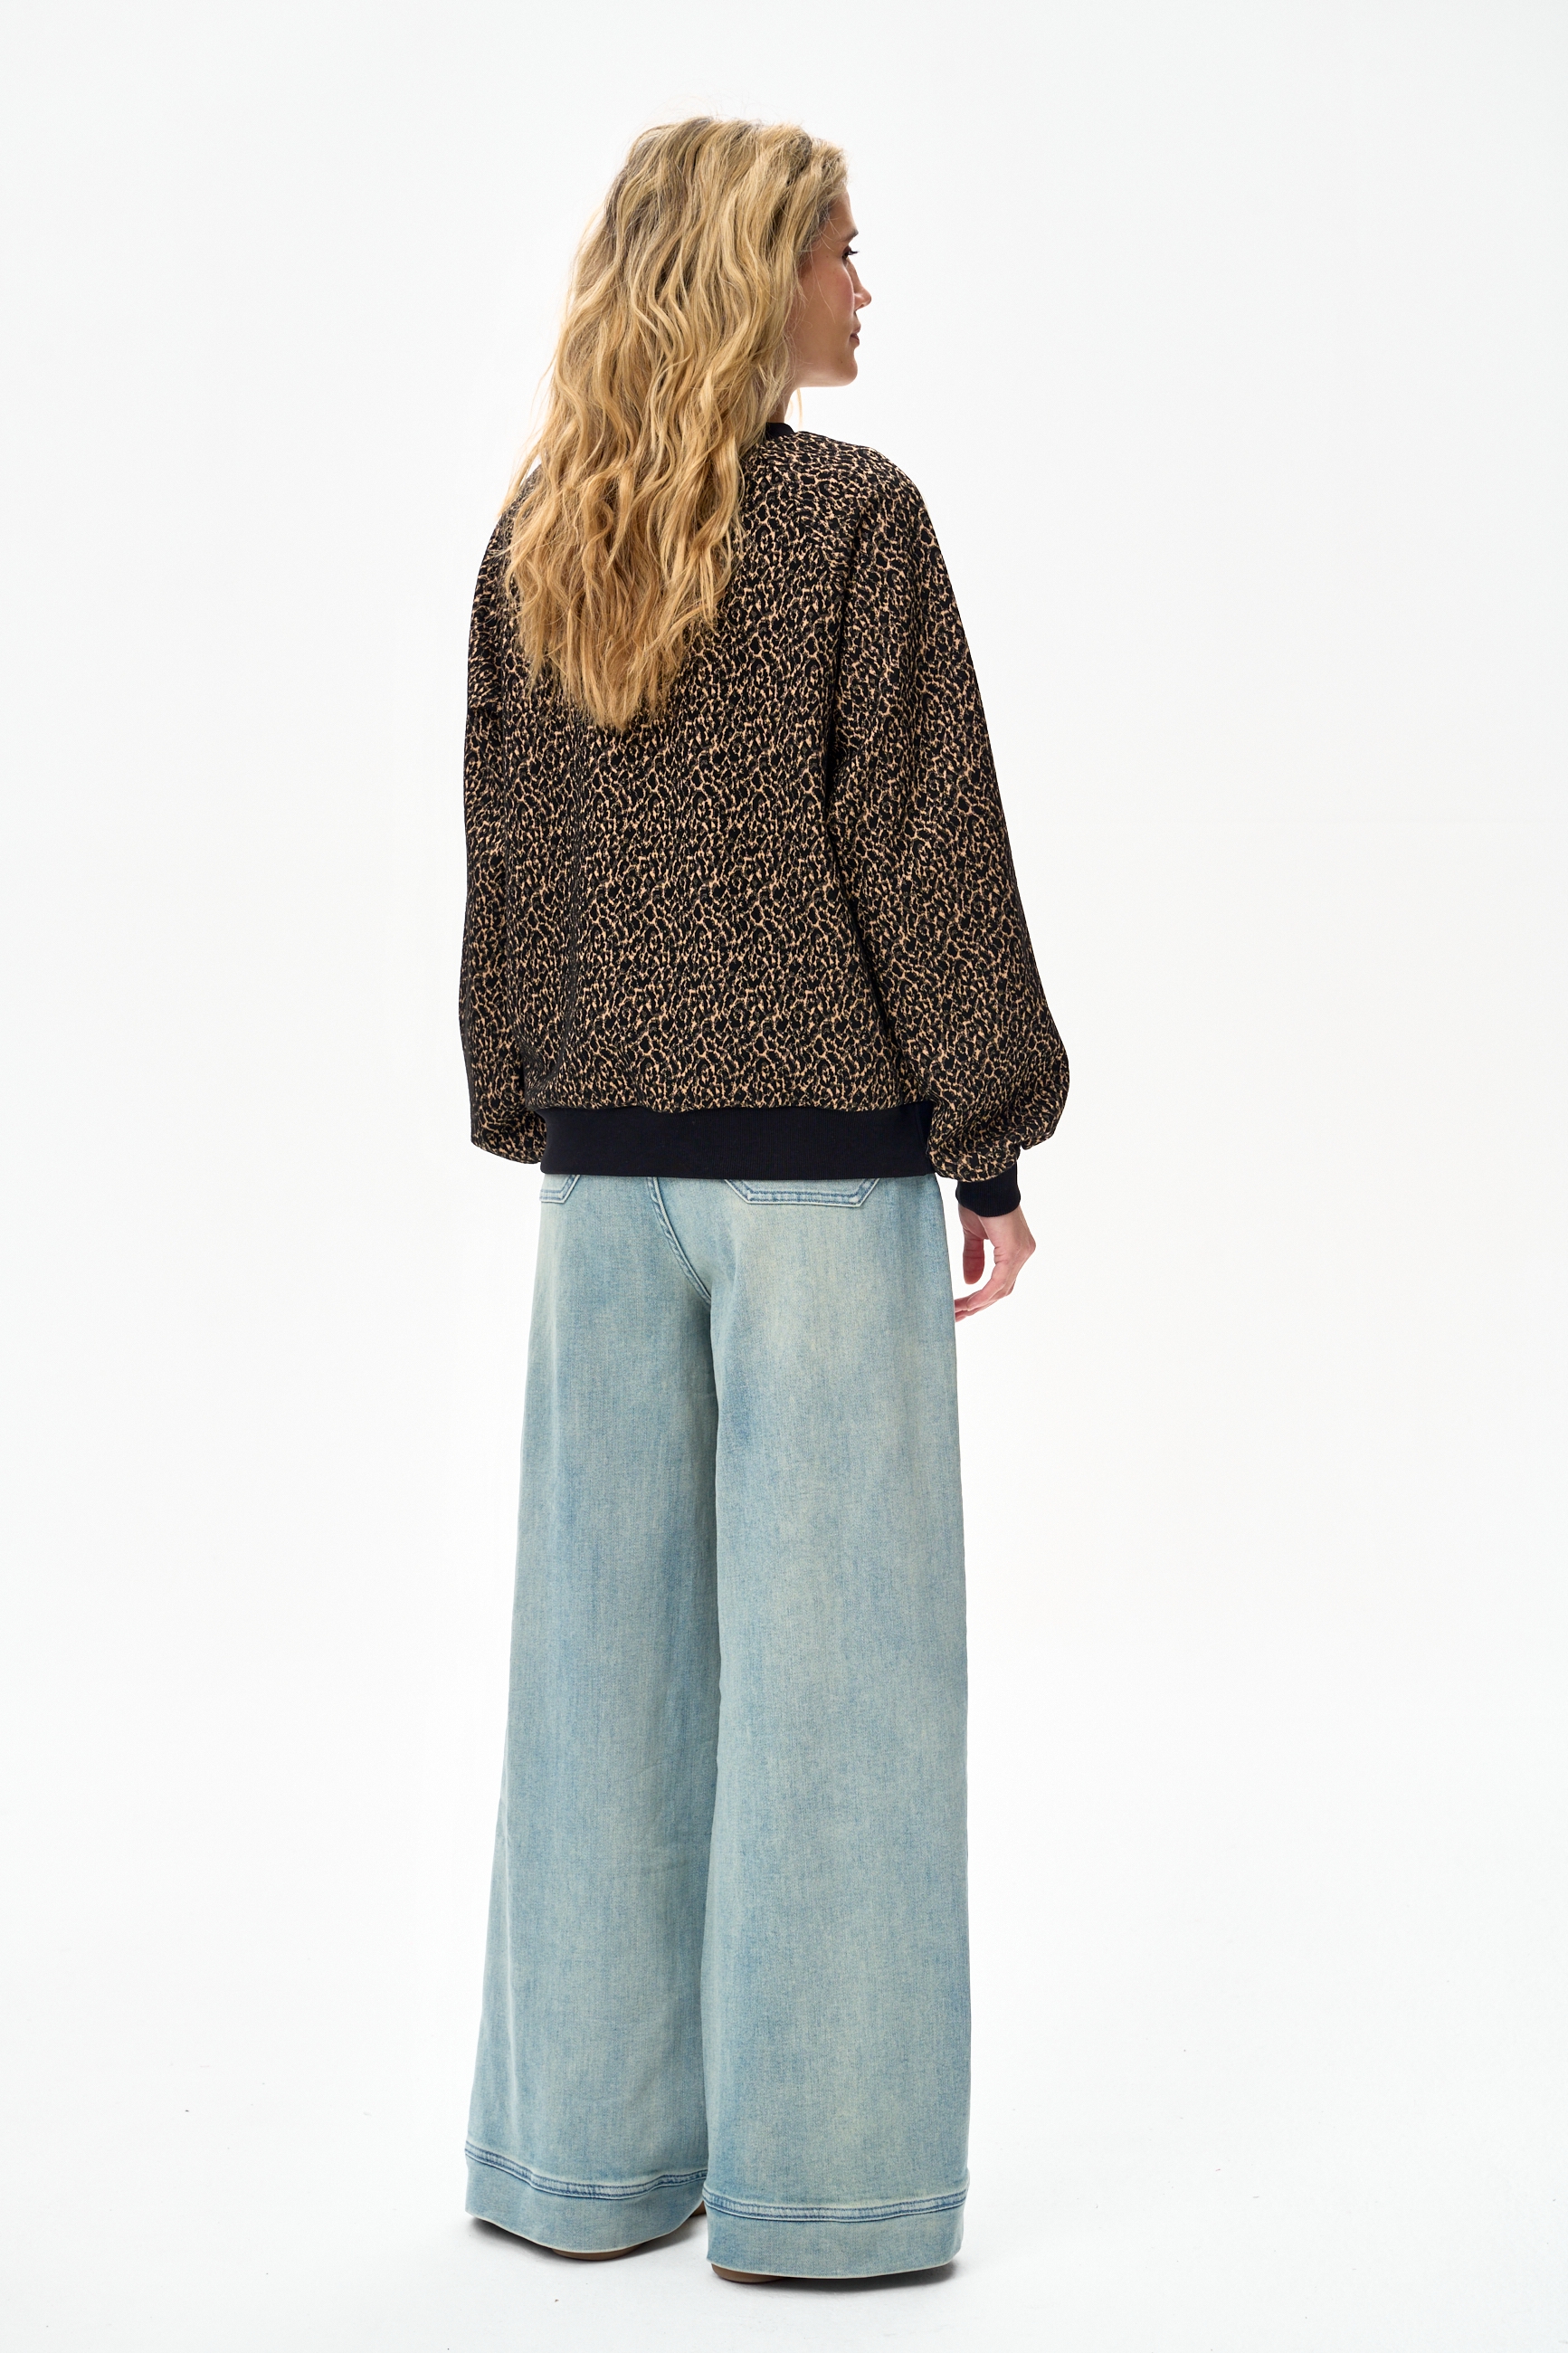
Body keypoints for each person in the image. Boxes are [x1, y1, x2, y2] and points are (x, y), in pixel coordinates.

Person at [458, 116, 1068, 2286]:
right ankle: (829, 2194)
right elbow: (926, 845)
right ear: (752, 276)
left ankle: (583, 2163)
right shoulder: (852, 523)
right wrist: (989, 1138)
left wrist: (540, 1102)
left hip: (605, 1182)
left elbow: (509, 861)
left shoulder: (544, 537)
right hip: (816, 1188)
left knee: (597, 1676)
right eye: (839, 253)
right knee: (843, 1695)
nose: (864, 289)